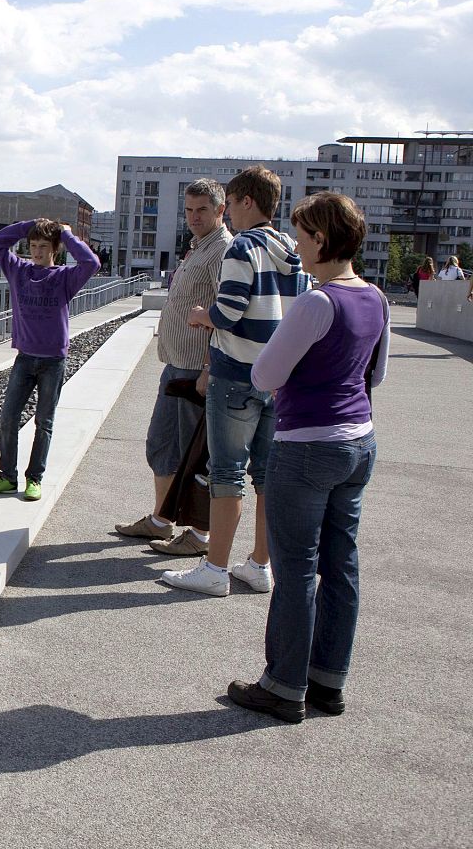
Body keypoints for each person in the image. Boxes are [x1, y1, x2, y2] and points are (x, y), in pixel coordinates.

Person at [226, 192, 388, 722]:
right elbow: (376, 375)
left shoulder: (319, 301)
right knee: (342, 564)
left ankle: (283, 685)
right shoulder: (375, 298)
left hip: (306, 445)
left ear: (321, 239)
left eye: (301, 236)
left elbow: (265, 375)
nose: (296, 245)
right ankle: (327, 680)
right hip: (358, 441)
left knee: (296, 568)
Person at [169, 165, 305, 597]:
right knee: (266, 475)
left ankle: (215, 569)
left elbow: (228, 311)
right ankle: (259, 565)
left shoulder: (243, 247)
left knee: (226, 472)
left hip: (236, 373)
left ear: (246, 202)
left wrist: (198, 316)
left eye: (232, 204)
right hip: (275, 377)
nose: (230, 214)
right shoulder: (290, 249)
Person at [116, 179, 232, 554]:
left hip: (196, 368)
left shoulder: (222, 251)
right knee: (161, 445)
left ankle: (200, 536)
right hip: (176, 364)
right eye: (188, 210)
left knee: (193, 455)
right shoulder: (198, 247)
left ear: (220, 210)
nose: (194, 217)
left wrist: (209, 367)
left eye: (202, 210)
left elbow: (226, 315)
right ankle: (161, 520)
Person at [0, 218, 101, 501]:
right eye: (33, 246)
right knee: (8, 418)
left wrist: (66, 235)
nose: (37, 252)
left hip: (53, 361)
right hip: (25, 358)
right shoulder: (18, 271)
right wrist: (30, 224)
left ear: (55, 249)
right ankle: (7, 477)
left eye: (43, 246)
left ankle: (35, 478)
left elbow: (91, 263)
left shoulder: (65, 278)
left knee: (44, 421)